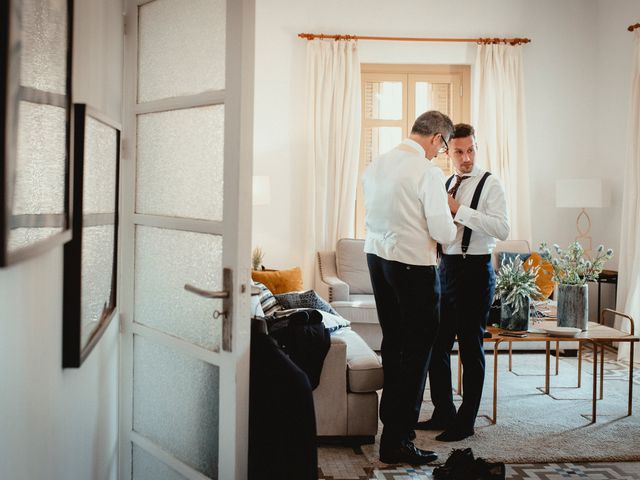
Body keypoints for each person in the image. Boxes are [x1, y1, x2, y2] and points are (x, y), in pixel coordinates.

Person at [361, 110, 458, 465]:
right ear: (436, 138)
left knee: (394, 344)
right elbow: (443, 231)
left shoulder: (377, 164)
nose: (440, 154)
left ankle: (391, 431)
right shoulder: (427, 172)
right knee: (417, 352)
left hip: (377, 258)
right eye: (443, 147)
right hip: (412, 265)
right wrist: (452, 221)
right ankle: (399, 439)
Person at [416, 123, 509, 442]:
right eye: (459, 151)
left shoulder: (490, 184)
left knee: (471, 347)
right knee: (436, 346)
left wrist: (460, 210)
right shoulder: (444, 183)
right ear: (447, 152)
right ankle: (444, 411)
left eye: (471, 150)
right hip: (446, 270)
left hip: (476, 271)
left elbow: (503, 229)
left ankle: (466, 420)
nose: (466, 157)